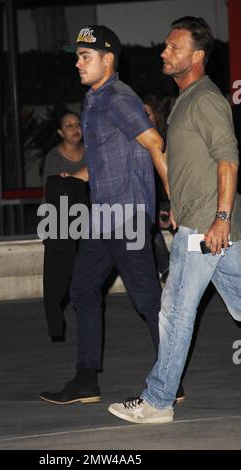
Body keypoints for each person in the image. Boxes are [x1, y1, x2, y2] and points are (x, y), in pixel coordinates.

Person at [40, 25, 184, 405]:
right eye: (77, 56)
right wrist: (77, 177)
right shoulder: (94, 99)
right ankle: (86, 380)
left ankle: (171, 381)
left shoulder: (120, 99)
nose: (77, 63)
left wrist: (174, 200)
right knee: (83, 289)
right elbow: (106, 159)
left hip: (129, 217)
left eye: (85, 57)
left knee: (147, 300)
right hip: (103, 216)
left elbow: (155, 144)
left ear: (108, 60)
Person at [108, 16, 241, 424]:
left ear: (197, 56)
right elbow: (193, 164)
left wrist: (219, 217)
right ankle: (159, 397)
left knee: (175, 311)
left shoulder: (206, 99)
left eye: (174, 47)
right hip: (205, 223)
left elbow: (228, 159)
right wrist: (176, 205)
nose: (164, 52)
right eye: (166, 46)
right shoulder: (186, 98)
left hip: (206, 227)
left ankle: (158, 400)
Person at [42, 112, 87, 340]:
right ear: (61, 132)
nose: (74, 128)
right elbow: (49, 193)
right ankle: (56, 331)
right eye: (68, 125)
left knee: (81, 279)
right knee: (54, 284)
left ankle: (86, 326)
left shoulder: (91, 154)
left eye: (78, 124)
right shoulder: (53, 157)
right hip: (59, 226)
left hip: (86, 224)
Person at [143, 95, 171, 282]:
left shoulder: (164, 138)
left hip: (171, 197)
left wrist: (168, 205)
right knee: (148, 227)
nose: (144, 118)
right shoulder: (137, 141)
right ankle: (167, 268)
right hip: (150, 201)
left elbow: (169, 176)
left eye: (148, 114)